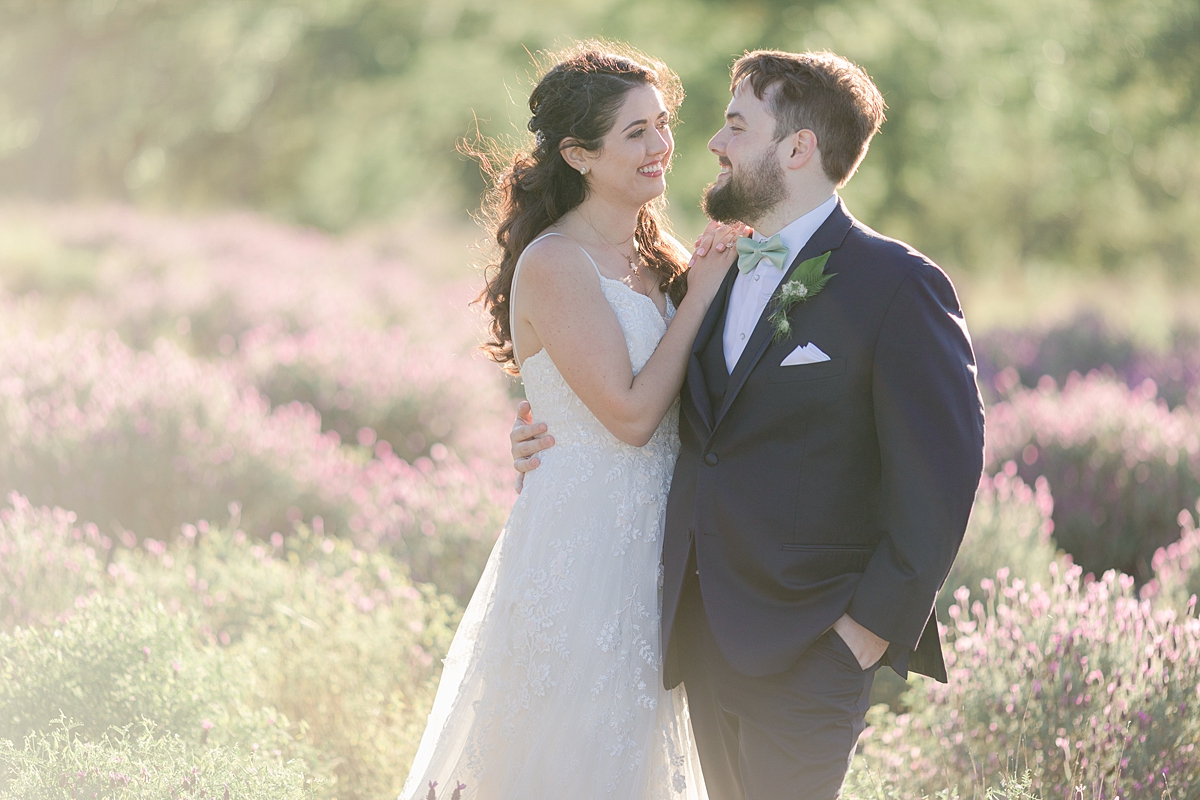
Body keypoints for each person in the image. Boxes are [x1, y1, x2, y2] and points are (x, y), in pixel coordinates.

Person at [510, 50, 986, 800]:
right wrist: (543, 432)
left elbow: (944, 475)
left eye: (735, 124)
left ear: (797, 148)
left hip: (812, 646)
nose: (708, 143)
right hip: (693, 639)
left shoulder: (897, 285)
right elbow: (646, 398)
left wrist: (864, 634)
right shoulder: (708, 269)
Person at [400, 43, 745, 800]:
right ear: (578, 154)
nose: (660, 148)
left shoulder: (665, 259)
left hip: (661, 542)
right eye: (634, 134)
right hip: (583, 546)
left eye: (662, 125)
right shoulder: (557, 262)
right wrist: (700, 299)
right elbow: (626, 413)